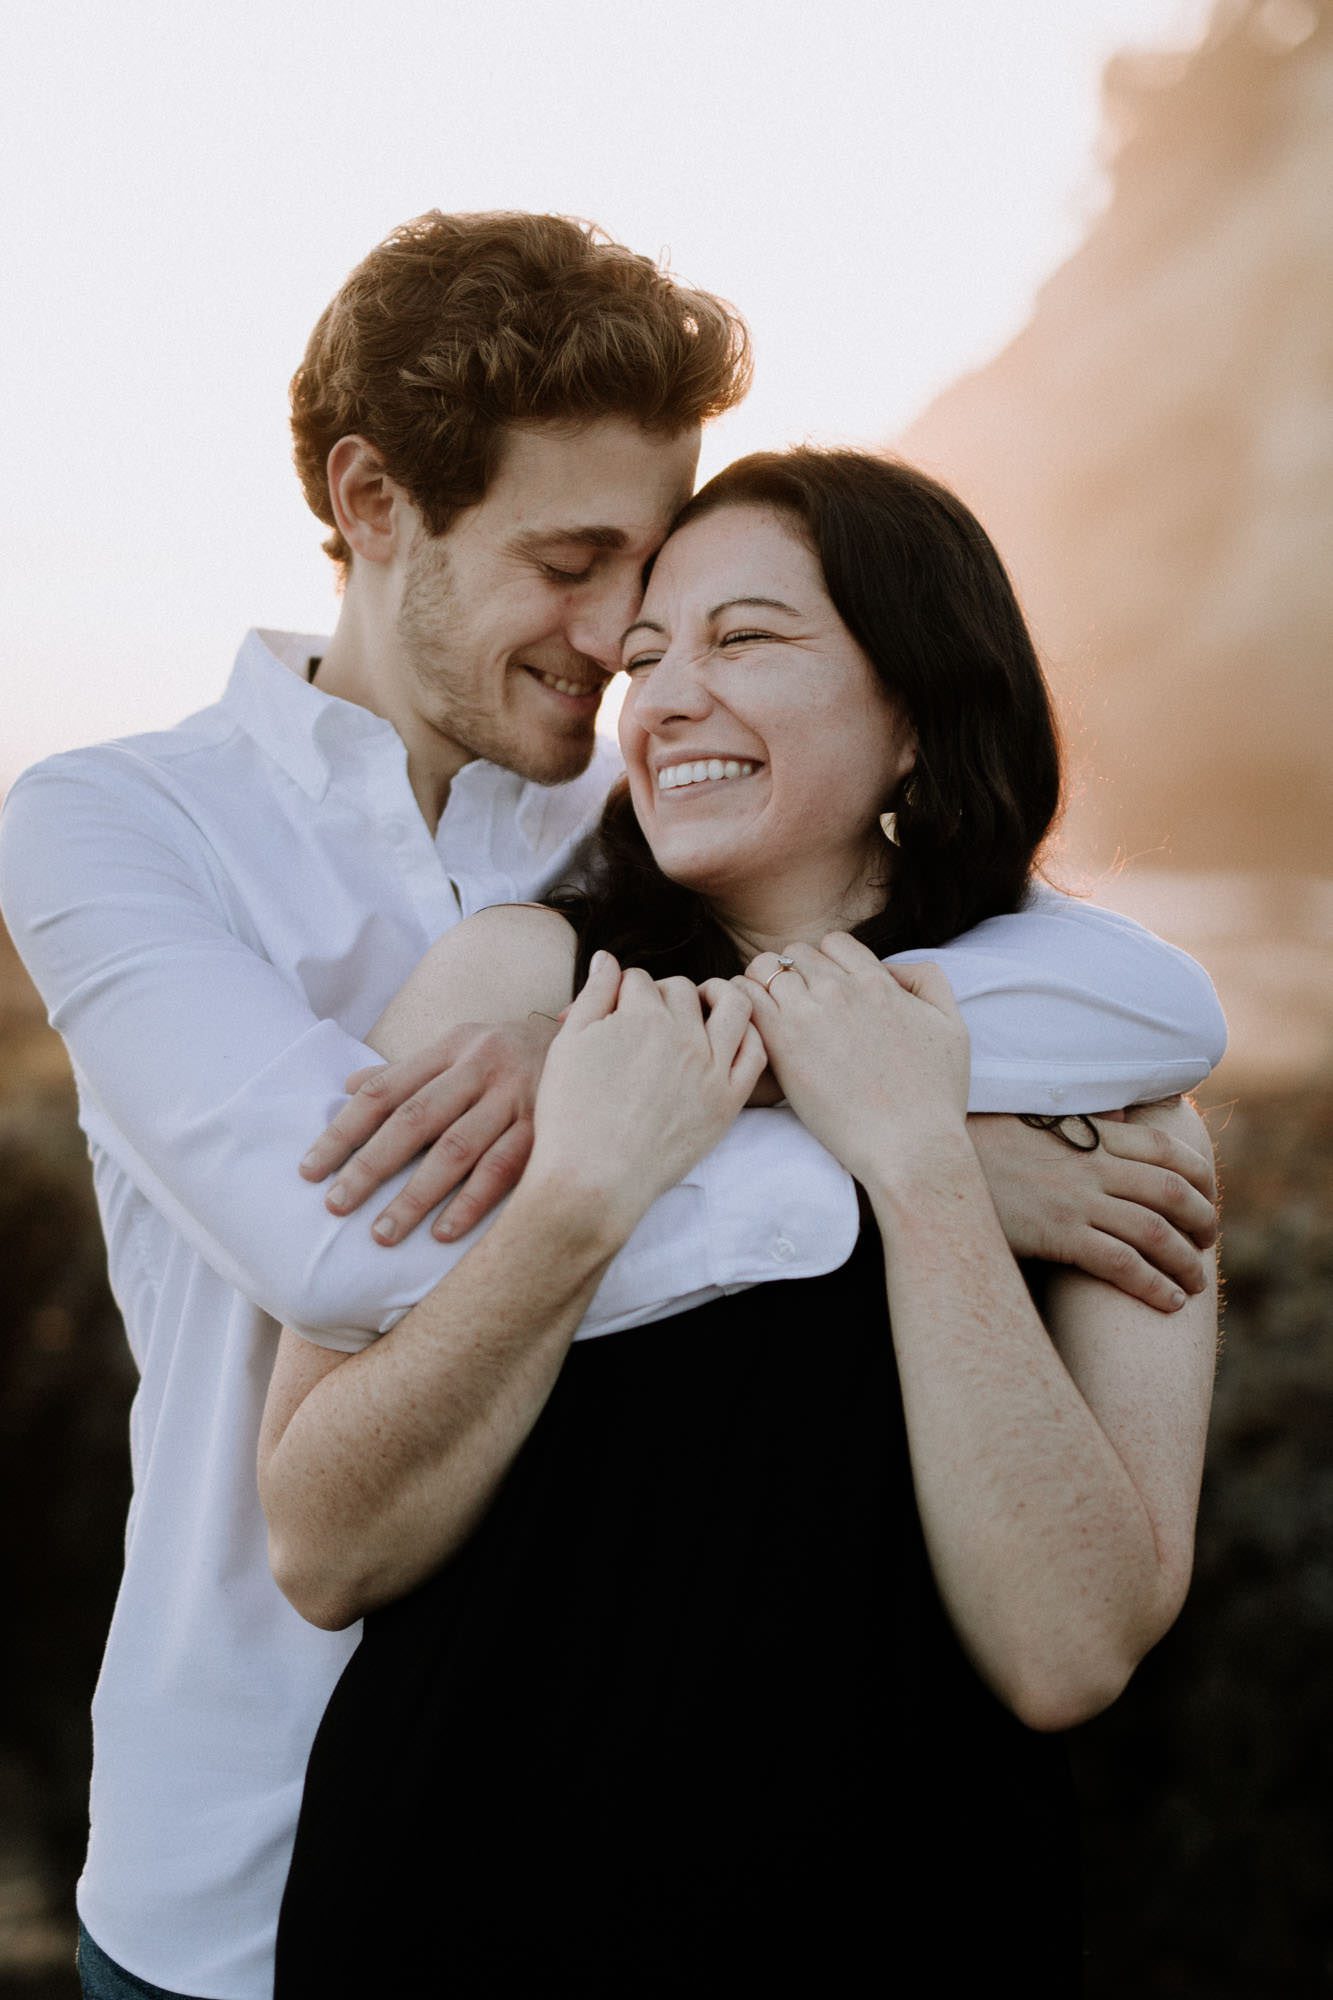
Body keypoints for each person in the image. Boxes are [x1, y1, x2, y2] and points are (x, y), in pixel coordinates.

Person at [0, 212, 1223, 2000]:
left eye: (650, 599)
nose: (615, 650)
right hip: (245, 1819)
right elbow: (343, 1236)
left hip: (697, 1840)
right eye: (571, 566)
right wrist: (884, 1170)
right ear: (374, 500)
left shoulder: (627, 829)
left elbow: (1128, 996)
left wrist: (850, 1118)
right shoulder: (122, 823)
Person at [264, 449, 1220, 1995]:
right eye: (646, 656)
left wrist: (917, 1167)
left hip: (903, 1925)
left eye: (747, 640)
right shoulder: (507, 998)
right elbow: (322, 1542)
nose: (664, 696)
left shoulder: (1107, 1097)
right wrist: (582, 1193)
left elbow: (1067, 1652)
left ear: (916, 709)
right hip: (458, 1906)